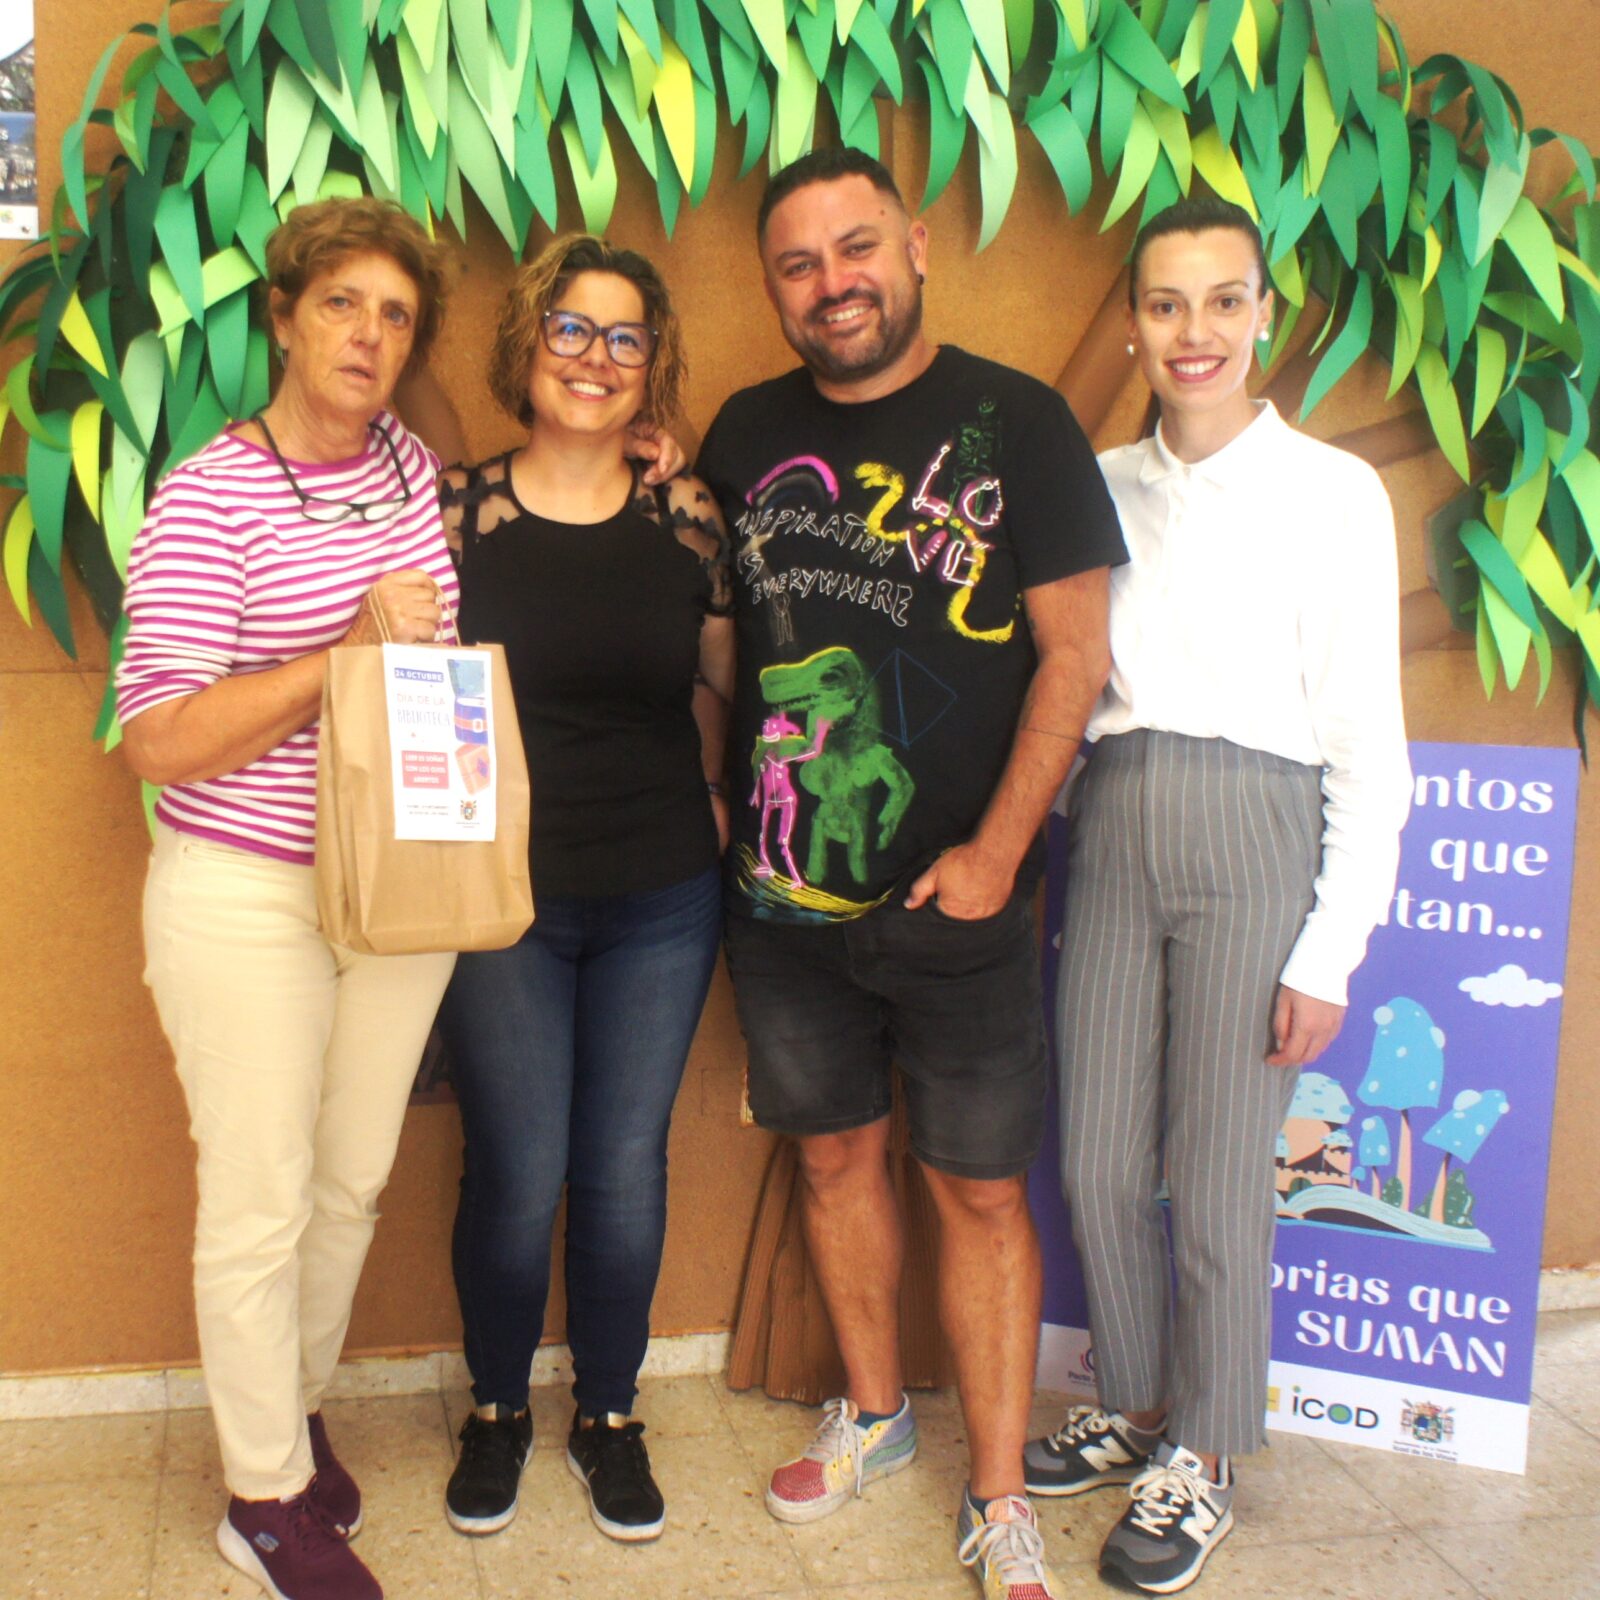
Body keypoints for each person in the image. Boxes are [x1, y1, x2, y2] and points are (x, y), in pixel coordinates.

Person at [696, 147, 1126, 1599]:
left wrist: (998, 854)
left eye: (858, 247)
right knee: (831, 1157)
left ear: (918, 246)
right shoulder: (745, 434)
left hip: (965, 902)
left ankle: (998, 1495)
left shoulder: (1023, 424)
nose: (834, 283)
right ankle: (876, 1416)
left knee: (981, 1194)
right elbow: (716, 636)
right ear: (775, 288)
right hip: (785, 905)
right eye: (800, 263)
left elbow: (1075, 657)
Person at [1023, 197, 1412, 1595]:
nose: (1195, 332)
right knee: (1094, 1159)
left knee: (1219, 1182)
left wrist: (1328, 951)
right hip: (1117, 822)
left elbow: (1370, 747)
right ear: (1134, 322)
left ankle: (1208, 1448)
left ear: (1262, 315)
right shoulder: (1098, 486)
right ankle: (1134, 1404)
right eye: (1167, 303)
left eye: (1224, 301)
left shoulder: (1332, 493)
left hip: (1259, 829)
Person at [117, 196, 459, 1600]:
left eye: (395, 316)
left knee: (348, 1184)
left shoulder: (407, 467)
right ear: (283, 316)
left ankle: (290, 1420)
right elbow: (159, 738)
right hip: (245, 893)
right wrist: (343, 654)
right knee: (258, 1200)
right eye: (340, 304)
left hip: (392, 888)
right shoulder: (210, 495)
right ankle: (259, 1499)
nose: (368, 337)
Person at [435, 235, 732, 1545]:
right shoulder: (459, 511)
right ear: (527, 343)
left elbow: (724, 677)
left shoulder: (689, 515)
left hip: (662, 892)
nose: (594, 358)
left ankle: (609, 1413)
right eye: (570, 328)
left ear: (650, 364)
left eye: (623, 337)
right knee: (516, 1167)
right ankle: (498, 1407)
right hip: (502, 897)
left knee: (620, 1167)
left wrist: (717, 790)